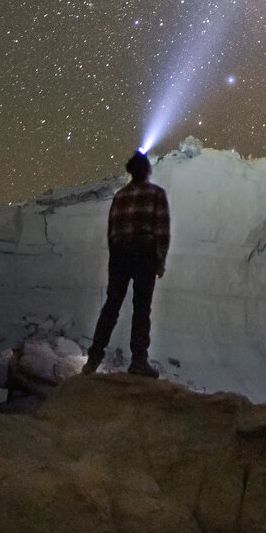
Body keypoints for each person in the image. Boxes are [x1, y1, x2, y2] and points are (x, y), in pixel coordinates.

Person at [84, 149, 169, 377]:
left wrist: (115, 259)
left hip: (120, 256)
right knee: (141, 309)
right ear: (147, 171)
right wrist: (160, 261)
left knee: (111, 306)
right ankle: (139, 361)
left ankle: (93, 359)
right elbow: (161, 230)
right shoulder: (156, 194)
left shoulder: (120, 196)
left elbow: (112, 232)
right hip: (144, 255)